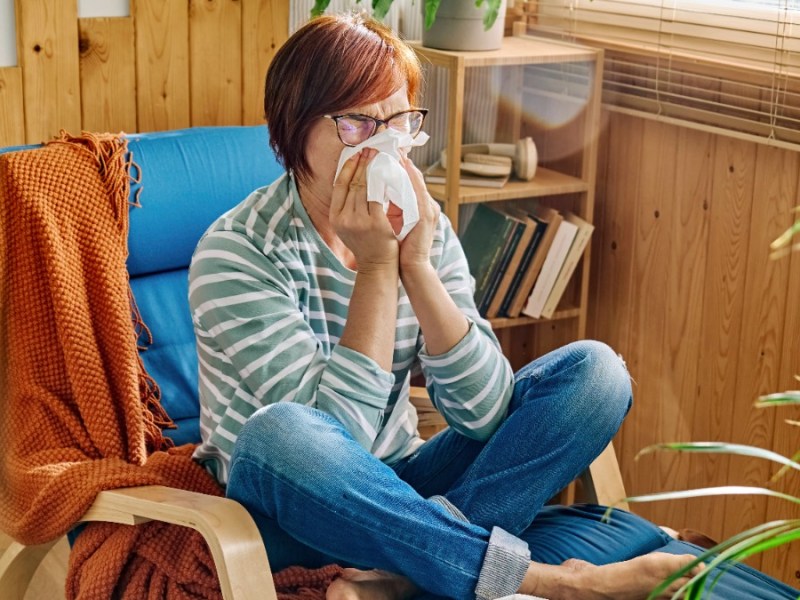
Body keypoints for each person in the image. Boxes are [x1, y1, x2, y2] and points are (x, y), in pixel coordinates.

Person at [188, 12, 799, 600]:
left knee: (597, 374)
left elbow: (482, 415)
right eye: (356, 124)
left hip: (407, 489)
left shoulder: (421, 228)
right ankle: (555, 582)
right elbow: (336, 437)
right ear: (292, 131)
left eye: (397, 122)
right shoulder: (236, 253)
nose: (384, 148)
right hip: (290, 507)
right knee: (281, 434)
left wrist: (417, 267)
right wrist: (378, 269)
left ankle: (413, 573)